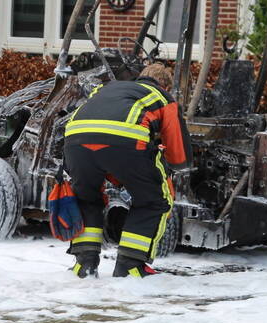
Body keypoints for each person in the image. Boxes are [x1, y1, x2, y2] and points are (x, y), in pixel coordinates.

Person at [62, 63, 192, 278]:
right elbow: (178, 154)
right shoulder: (162, 96)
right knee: (153, 201)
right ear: (165, 85)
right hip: (124, 143)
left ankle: (84, 265)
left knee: (87, 199)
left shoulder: (103, 89)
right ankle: (131, 266)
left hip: (75, 142)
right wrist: (177, 166)